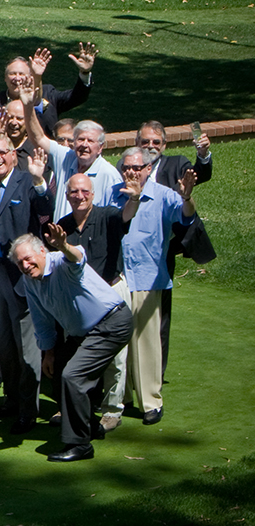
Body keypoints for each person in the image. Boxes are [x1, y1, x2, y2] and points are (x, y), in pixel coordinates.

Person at [12, 226, 133, 462]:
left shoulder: (60, 261)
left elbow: (78, 257)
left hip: (111, 322)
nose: (25, 266)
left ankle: (80, 444)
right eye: (20, 263)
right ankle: (90, 426)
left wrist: (64, 246)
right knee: (59, 373)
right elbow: (42, 319)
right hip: (85, 332)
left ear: (42, 252)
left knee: (73, 376)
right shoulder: (30, 281)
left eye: (28, 259)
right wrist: (48, 353)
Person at [108, 147, 196, 425]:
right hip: (118, 278)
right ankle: (121, 398)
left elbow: (186, 216)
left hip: (147, 277)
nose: (131, 172)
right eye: (127, 167)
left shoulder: (163, 194)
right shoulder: (113, 192)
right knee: (118, 342)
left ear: (148, 169)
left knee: (145, 342)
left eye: (137, 167)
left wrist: (187, 196)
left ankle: (151, 402)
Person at [0, 135, 50, 433]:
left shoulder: (27, 182)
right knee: (3, 342)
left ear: (13, 154)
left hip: (19, 275)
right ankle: (11, 399)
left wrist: (40, 181)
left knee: (25, 346)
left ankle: (28, 410)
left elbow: (45, 211)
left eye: (1, 153)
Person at [57, 172, 137, 432]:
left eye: (84, 192)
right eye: (74, 192)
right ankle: (82, 406)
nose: (79, 196)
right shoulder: (63, 225)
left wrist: (134, 198)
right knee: (81, 354)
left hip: (112, 292)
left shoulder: (108, 216)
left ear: (93, 194)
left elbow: (127, 215)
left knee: (115, 357)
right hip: (80, 298)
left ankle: (112, 410)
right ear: (67, 195)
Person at [136, 120, 215, 377]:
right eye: (145, 141)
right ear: (137, 143)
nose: (150, 146)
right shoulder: (128, 166)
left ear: (164, 145)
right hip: (135, 250)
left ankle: (155, 373)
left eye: (156, 142)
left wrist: (202, 156)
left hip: (165, 247)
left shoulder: (175, 164)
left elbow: (197, 176)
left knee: (160, 311)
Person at [20, 93, 121, 221]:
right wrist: (28, 106)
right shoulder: (65, 156)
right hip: (59, 236)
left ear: (100, 147)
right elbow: (38, 137)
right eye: (80, 139)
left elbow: (116, 218)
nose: (84, 145)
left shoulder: (110, 175)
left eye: (90, 141)